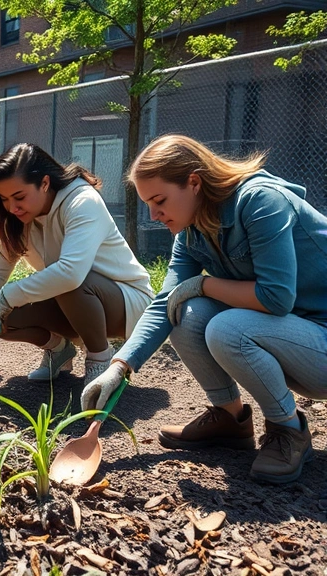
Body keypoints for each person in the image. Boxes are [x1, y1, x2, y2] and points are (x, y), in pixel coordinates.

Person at [82, 134, 327, 484]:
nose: (153, 215)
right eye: (147, 204)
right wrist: (120, 366)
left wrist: (203, 284)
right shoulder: (192, 231)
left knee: (226, 328)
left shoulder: (260, 202)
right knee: (184, 311)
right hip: (292, 337)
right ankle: (230, 419)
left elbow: (276, 297)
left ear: (194, 182)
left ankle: (288, 429)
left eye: (160, 200)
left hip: (320, 341)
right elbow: (166, 302)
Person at [0, 144, 153, 383]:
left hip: (127, 304)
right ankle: (59, 350)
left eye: (19, 197)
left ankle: (100, 360)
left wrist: (8, 295)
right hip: (74, 302)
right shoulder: (19, 218)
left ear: (45, 183)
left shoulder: (82, 201)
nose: (12, 207)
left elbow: (71, 274)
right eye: (4, 199)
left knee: (68, 280)